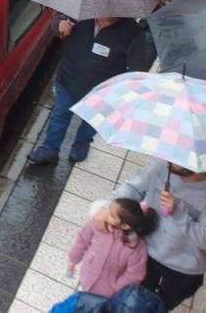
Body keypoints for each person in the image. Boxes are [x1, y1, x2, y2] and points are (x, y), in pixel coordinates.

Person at [27, 16, 139, 165]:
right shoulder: (80, 14)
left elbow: (138, 68)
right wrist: (58, 25)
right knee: (59, 117)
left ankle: (82, 143)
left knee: (90, 123)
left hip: (101, 93)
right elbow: (54, 24)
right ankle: (50, 149)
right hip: (68, 80)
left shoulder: (132, 31)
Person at [98, 159, 206, 310]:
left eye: (179, 161)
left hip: (184, 268)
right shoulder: (162, 166)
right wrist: (107, 207)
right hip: (145, 251)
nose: (171, 163)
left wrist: (177, 213)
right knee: (130, 298)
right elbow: (132, 188)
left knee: (158, 306)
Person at [66, 198, 154, 299]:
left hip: (106, 295)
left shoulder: (137, 248)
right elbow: (82, 241)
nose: (106, 213)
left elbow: (134, 275)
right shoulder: (98, 225)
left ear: (125, 225)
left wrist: (116, 289)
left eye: (112, 214)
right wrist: (73, 259)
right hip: (86, 280)